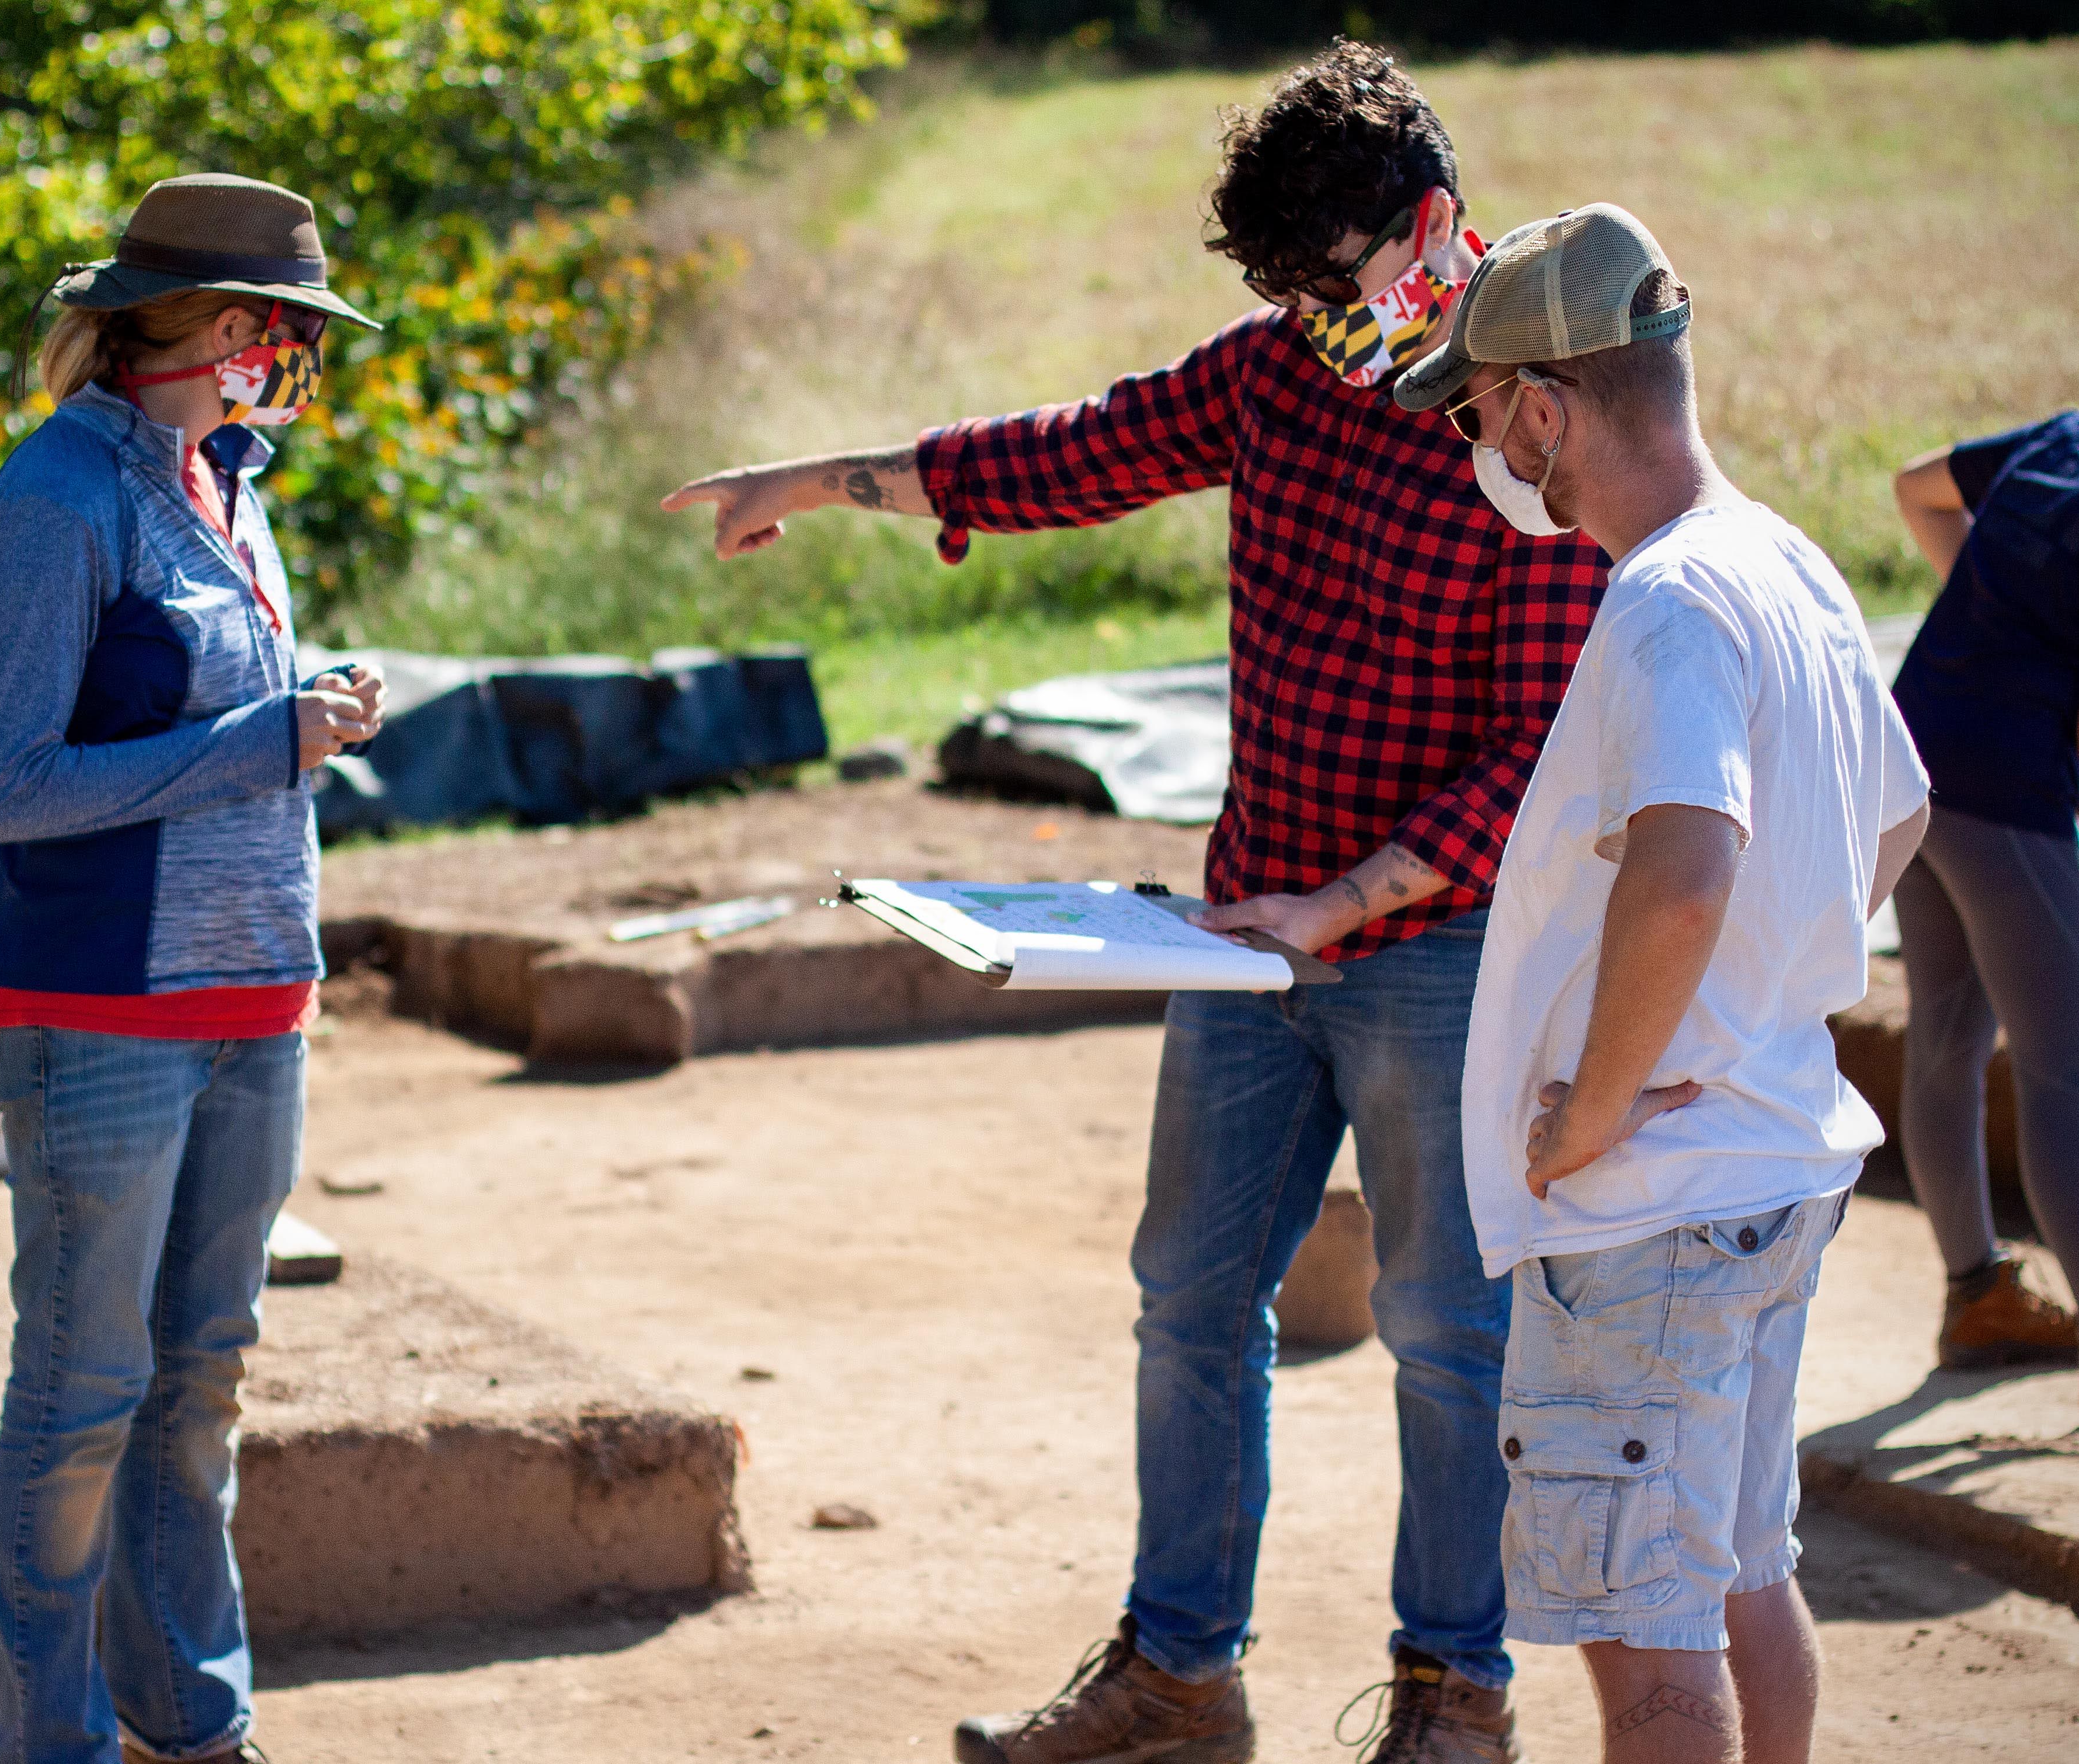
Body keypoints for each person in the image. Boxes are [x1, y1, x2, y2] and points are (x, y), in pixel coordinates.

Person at [666, 41, 1610, 1764]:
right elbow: (1066, 452)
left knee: (1444, 1327)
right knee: (1187, 1295)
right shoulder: (1265, 376)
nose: (1314, 320)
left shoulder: (1531, 424)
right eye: (1279, 290)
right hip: (1248, 932)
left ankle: (1453, 1696)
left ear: (1438, 227)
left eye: (1334, 282)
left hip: (1438, 946)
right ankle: (1178, 1675)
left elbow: (1542, 754)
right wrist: (812, 483)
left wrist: (1353, 899)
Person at [1397, 204, 1930, 1764]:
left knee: (1647, 1644)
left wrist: (1592, 1109)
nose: (1487, 446)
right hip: (1765, 1161)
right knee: (1735, 1569)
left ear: (1546, 406)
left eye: (1486, 411)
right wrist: (1754, 998)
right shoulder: (1787, 563)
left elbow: (1685, 866)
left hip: (1649, 1204)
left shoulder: (1664, 599)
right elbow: (1895, 811)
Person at [0, 172, 387, 1764]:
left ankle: (190, 1727)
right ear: (216, 330)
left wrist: (298, 712)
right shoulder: (57, 496)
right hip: (99, 1015)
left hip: (247, 1005)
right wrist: (258, 737)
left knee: (196, 1389)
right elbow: (7, 788)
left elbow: (205, 743)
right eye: (285, 330)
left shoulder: (228, 476)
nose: (293, 356)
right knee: (81, 1399)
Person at [1885, 413, 2079, 1368]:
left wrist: (1987, 616)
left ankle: (1979, 1295)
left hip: (1912, 751)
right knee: (2065, 1068)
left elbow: (1916, 485)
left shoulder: (2068, 438)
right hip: (2006, 786)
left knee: (1948, 1036)